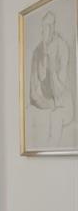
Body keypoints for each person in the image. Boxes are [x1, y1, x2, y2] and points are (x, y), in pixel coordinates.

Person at [29, 9, 76, 145]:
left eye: (49, 26)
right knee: (30, 114)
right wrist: (43, 102)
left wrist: (50, 63)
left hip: (62, 105)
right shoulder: (37, 51)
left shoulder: (62, 47)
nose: (46, 30)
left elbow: (59, 90)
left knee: (55, 117)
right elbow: (33, 91)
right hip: (44, 103)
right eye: (44, 27)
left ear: (53, 27)